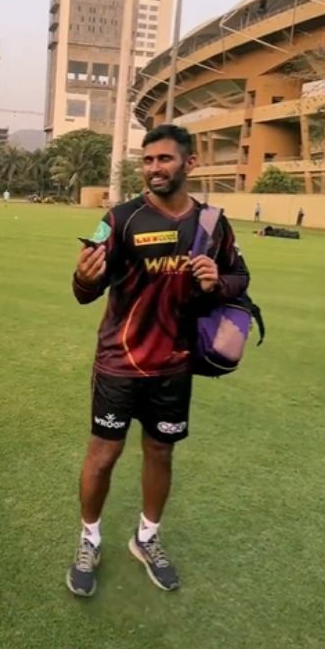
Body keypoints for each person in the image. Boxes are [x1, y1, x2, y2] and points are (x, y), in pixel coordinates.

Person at [68, 124, 249, 598]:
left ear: (189, 163)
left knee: (161, 451)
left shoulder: (212, 223)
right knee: (103, 456)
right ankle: (89, 539)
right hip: (119, 363)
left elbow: (240, 277)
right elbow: (85, 290)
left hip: (174, 364)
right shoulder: (119, 218)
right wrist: (84, 278)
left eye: (164, 159)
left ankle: (146, 538)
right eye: (147, 161)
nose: (154, 169)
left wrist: (218, 281)